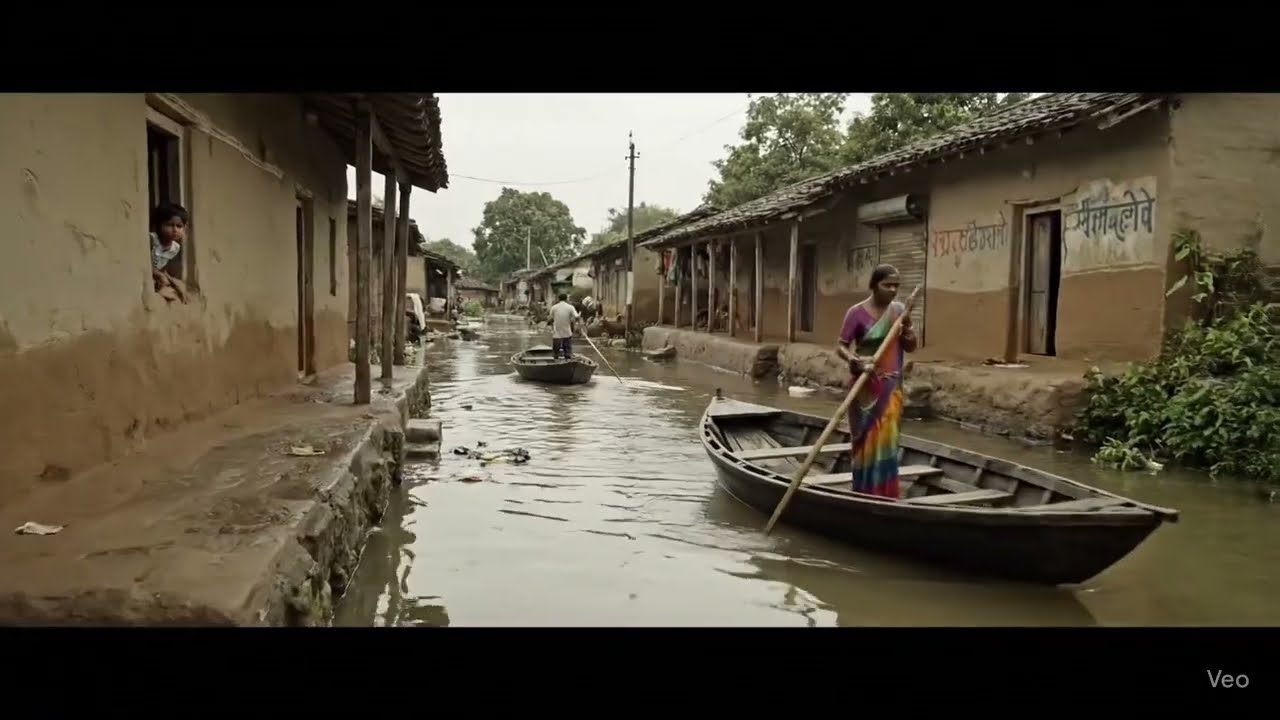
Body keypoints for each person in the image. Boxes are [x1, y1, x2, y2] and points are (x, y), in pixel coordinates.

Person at [834, 264, 918, 498]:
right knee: (864, 441)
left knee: (888, 443)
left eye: (896, 286)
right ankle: (863, 492)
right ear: (873, 285)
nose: (892, 290)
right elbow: (841, 346)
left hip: (891, 389)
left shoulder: (900, 310)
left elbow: (910, 346)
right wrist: (854, 360)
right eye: (887, 285)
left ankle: (886, 494)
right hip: (864, 388)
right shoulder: (856, 313)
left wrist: (909, 330)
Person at [150, 202, 188, 302]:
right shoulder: (152, 240)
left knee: (177, 285)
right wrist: (160, 275)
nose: (175, 229)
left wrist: (174, 283)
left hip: (156, 274)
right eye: (169, 225)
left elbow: (161, 267)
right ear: (159, 225)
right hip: (149, 275)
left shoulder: (175, 248)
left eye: (179, 226)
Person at [549, 292, 581, 360]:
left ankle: (555, 359)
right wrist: (579, 315)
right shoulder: (570, 307)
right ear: (566, 299)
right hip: (567, 331)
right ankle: (567, 359)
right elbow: (576, 316)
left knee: (556, 348)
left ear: (558, 299)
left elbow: (550, 318)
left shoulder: (554, 307)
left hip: (556, 331)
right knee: (567, 348)